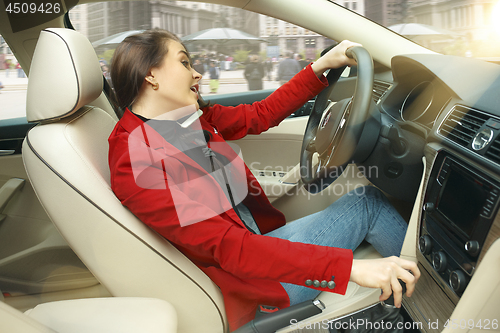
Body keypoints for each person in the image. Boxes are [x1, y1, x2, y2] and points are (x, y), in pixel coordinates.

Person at [108, 29, 419, 331]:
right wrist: (351, 268)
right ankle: (437, 304)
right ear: (151, 75)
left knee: (364, 201)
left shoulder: (183, 120)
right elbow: (230, 248)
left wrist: (320, 66)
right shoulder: (137, 162)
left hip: (259, 248)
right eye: (185, 63)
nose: (197, 74)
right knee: (368, 205)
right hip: (255, 286)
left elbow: (260, 114)